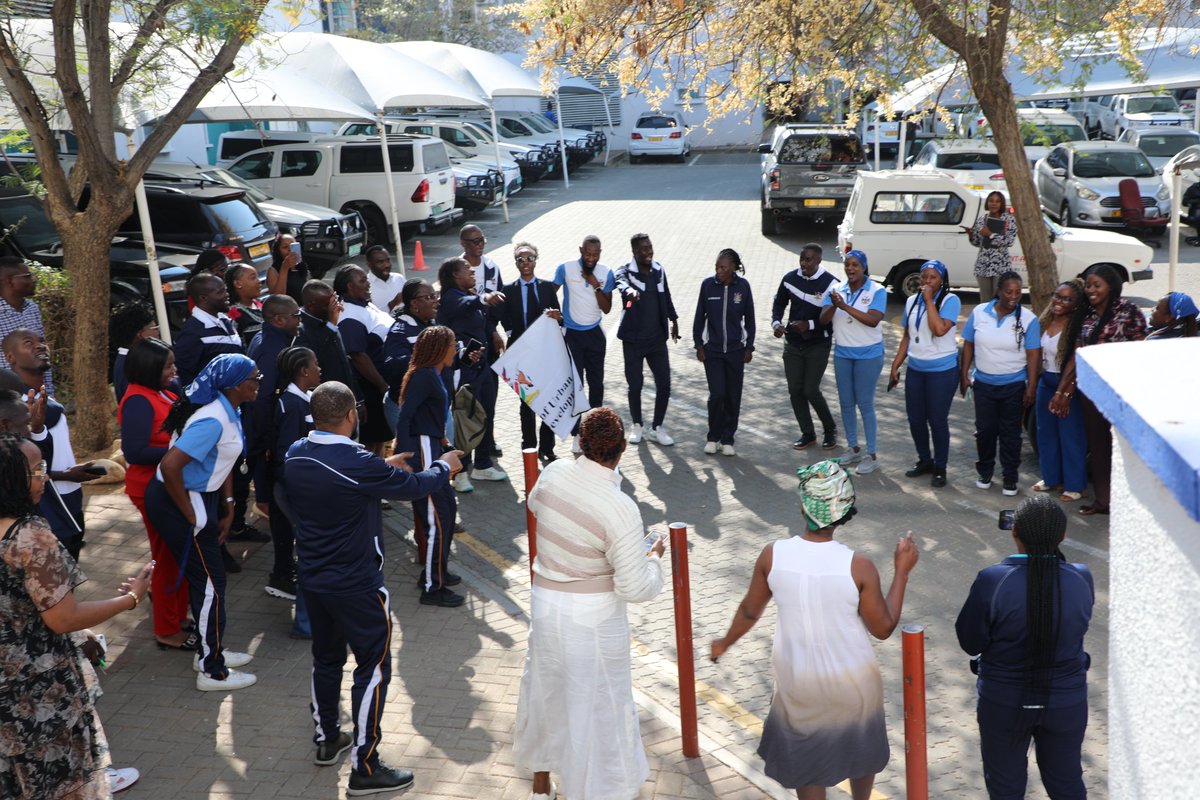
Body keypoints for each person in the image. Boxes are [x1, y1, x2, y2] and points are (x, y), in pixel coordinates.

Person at [284, 381, 462, 796]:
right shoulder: (356, 462)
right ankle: (365, 766)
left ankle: (327, 737)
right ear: (351, 415)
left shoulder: (297, 452)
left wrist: (385, 465)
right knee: (374, 666)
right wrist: (444, 466)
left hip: (313, 577)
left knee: (326, 661)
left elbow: (361, 478)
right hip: (357, 583)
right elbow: (416, 487)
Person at [709, 460, 919, 800]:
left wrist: (723, 643)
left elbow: (750, 610)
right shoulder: (858, 566)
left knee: (807, 764)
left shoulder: (773, 555)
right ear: (845, 509)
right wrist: (902, 571)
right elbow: (883, 628)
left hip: (798, 683)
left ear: (803, 505)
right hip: (855, 682)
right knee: (860, 752)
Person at [513, 407, 665, 800]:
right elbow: (634, 588)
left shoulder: (554, 472)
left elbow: (534, 504)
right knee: (596, 709)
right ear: (623, 448)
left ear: (580, 442)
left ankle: (541, 787)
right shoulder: (620, 508)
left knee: (546, 694)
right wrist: (653, 560)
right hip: (594, 618)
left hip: (546, 604)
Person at [0, 431, 153, 800]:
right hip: (37, 693)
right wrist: (131, 599)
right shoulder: (30, 537)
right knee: (61, 786)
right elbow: (62, 618)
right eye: (36, 471)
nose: (45, 477)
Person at [956, 495, 1094, 800]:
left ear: (1014, 531)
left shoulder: (994, 580)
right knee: (1068, 783)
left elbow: (970, 642)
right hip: (1066, 701)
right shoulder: (1082, 577)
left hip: (1003, 701)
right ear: (1063, 535)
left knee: (1005, 787)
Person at [145, 354, 261, 691]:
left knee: (207, 581)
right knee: (212, 584)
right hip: (180, 499)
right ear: (236, 384)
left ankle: (211, 650)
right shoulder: (212, 419)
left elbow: (219, 459)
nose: (259, 382)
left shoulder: (228, 407)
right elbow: (170, 467)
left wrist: (226, 504)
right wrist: (193, 515)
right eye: (255, 377)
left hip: (200, 496)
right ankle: (212, 670)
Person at [118, 338, 196, 652]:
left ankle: (177, 616)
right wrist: (180, 450)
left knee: (178, 556)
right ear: (149, 368)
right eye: (167, 366)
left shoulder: (162, 391)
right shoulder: (137, 399)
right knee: (166, 559)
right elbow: (135, 451)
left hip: (168, 485)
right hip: (151, 489)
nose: (173, 370)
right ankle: (166, 630)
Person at [1052, 264, 1147, 515]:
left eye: (1097, 285)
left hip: (1122, 394)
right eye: (1089, 286)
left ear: (1111, 286)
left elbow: (1141, 351)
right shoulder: (1089, 316)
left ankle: (1129, 504)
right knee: (1099, 448)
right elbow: (1077, 355)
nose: (1091, 290)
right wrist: (1062, 390)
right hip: (1093, 393)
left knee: (1125, 451)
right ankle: (1104, 502)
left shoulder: (1129, 312)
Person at [3, 328, 101, 559]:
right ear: (10, 357)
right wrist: (65, 474)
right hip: (48, 502)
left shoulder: (45, 400)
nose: (39, 346)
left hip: (70, 496)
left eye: (42, 341)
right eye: (28, 343)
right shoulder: (14, 409)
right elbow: (19, 467)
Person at [395, 326, 466, 607]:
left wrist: (443, 440)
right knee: (436, 517)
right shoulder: (424, 376)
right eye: (452, 345)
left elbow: (428, 413)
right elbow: (406, 415)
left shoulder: (433, 374)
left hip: (432, 446)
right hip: (422, 452)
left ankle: (436, 571)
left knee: (447, 511)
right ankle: (431, 588)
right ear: (439, 348)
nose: (455, 349)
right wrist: (404, 455)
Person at [961, 271, 1041, 497]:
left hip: (1014, 385)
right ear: (998, 291)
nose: (1014, 296)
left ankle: (1010, 477)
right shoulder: (979, 312)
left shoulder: (1028, 319)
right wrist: (964, 375)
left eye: (1018, 292)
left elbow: (1034, 354)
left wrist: (1031, 386)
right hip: (984, 384)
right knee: (985, 431)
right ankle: (985, 471)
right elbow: (968, 344)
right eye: (1008, 291)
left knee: (1010, 434)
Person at [262, 346, 321, 637]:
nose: (319, 369)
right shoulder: (290, 404)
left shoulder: (304, 399)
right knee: (305, 543)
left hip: (300, 486)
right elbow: (286, 455)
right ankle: (304, 618)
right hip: (293, 488)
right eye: (315, 364)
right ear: (303, 371)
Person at [888, 260, 961, 488]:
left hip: (942, 371)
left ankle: (940, 467)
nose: (927, 281)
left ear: (942, 281)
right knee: (916, 419)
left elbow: (939, 330)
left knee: (937, 420)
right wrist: (895, 365)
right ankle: (925, 460)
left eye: (933, 278)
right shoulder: (911, 301)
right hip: (917, 369)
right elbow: (907, 336)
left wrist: (929, 300)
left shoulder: (950, 300)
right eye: (924, 277)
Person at [437, 257, 506, 490]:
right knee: (466, 419)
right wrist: (484, 298)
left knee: (487, 414)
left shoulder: (468, 295)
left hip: (482, 366)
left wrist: (493, 332)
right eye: (467, 269)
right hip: (463, 369)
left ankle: (483, 465)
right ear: (456, 275)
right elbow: (468, 304)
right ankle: (461, 471)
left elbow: (480, 319)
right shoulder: (449, 299)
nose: (472, 272)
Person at [819, 250, 887, 475]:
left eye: (855, 264)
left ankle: (872, 454)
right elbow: (823, 320)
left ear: (864, 267)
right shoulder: (836, 290)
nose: (850, 268)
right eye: (847, 264)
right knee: (846, 403)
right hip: (843, 354)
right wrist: (833, 306)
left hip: (868, 354)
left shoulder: (877, 290)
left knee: (865, 403)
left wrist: (845, 307)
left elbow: (873, 320)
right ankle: (854, 447)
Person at [771, 244, 838, 451]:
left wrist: (807, 325)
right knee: (795, 390)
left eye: (809, 260)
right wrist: (776, 323)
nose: (804, 263)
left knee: (810, 389)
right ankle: (808, 434)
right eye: (802, 259)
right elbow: (779, 302)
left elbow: (831, 321)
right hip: (793, 344)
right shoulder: (790, 279)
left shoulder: (831, 284)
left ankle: (830, 430)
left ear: (819, 261)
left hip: (818, 344)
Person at [499, 242, 562, 462]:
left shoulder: (547, 287)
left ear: (536, 260)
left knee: (547, 399)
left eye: (529, 258)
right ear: (515, 263)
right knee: (527, 401)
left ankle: (548, 447)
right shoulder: (508, 290)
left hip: (545, 352)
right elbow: (504, 316)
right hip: (521, 354)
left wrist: (557, 318)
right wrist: (510, 333)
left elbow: (559, 316)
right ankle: (530, 446)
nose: (525, 263)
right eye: (520, 259)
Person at [615, 233, 679, 446]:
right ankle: (637, 425)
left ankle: (657, 427)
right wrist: (630, 292)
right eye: (643, 249)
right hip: (633, 340)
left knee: (665, 384)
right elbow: (620, 282)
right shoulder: (626, 271)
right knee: (635, 385)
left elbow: (666, 295)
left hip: (656, 339)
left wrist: (674, 319)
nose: (648, 252)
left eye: (650, 247)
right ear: (634, 252)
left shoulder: (659, 270)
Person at [552, 235, 615, 453]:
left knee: (596, 384)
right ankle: (577, 434)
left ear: (600, 253)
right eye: (587, 253)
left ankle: (595, 430)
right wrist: (555, 315)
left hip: (595, 334)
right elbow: (550, 292)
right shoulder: (566, 269)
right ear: (581, 250)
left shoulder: (606, 272)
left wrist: (596, 286)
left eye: (595, 254)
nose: (591, 258)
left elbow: (607, 308)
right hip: (573, 336)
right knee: (575, 386)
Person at [693, 247, 755, 456]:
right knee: (717, 394)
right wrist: (699, 345)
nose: (719, 270)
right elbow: (699, 317)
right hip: (713, 351)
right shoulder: (708, 286)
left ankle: (728, 439)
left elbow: (751, 320)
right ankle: (713, 436)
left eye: (723, 267)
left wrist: (749, 347)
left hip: (737, 351)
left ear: (734, 268)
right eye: (717, 266)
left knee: (733, 396)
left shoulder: (743, 287)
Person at [1034, 280, 1088, 502]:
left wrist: (1064, 392)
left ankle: (1075, 485)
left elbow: (1074, 361)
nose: (1059, 302)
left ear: (1076, 304)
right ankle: (1051, 478)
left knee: (1070, 436)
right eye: (1057, 296)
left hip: (1066, 385)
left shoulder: (1076, 325)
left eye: (1067, 299)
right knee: (1045, 433)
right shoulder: (1044, 321)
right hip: (1045, 380)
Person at [333, 265, 394, 454]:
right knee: (370, 442)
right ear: (350, 287)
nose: (368, 284)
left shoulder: (365, 303)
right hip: (371, 388)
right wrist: (383, 385)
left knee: (380, 440)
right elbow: (357, 355)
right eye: (362, 281)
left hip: (381, 385)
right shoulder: (349, 314)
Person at [460, 224, 506, 460]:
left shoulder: (491, 267)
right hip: (467, 342)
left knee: (490, 392)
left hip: (488, 338)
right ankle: (467, 445)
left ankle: (488, 440)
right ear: (463, 244)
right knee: (469, 396)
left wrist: (494, 330)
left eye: (482, 240)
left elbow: (497, 303)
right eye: (474, 241)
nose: (479, 244)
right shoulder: (457, 269)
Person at [295, 280, 363, 405]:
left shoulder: (329, 321)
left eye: (335, 301)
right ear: (311, 305)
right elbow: (317, 364)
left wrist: (358, 399)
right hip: (329, 403)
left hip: (348, 399)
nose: (335, 308)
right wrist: (330, 326)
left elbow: (344, 363)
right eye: (328, 304)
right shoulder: (300, 331)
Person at [174, 274, 244, 387]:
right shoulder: (192, 333)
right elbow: (183, 374)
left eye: (225, 290)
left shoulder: (226, 322)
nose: (227, 295)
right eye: (220, 292)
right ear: (203, 298)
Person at [0, 256, 54, 395]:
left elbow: (40, 355)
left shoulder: (32, 308)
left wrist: (48, 393)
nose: (34, 279)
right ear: (9, 281)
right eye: (28, 276)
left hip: (39, 392)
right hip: (8, 397)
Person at [964, 191, 1017, 300]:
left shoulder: (1009, 220)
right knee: (985, 301)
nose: (994, 204)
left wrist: (991, 234)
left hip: (1001, 265)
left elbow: (1009, 241)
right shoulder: (981, 220)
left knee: (999, 300)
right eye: (991, 201)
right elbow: (978, 242)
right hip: (983, 265)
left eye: (997, 201)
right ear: (987, 202)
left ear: (1002, 204)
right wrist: (971, 235)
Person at [109, 300, 162, 403]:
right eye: (154, 329)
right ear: (140, 334)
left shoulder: (130, 360)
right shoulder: (131, 367)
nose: (158, 334)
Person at [226, 264, 265, 348]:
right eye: (253, 278)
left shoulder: (261, 305)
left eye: (257, 277)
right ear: (238, 283)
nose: (258, 281)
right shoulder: (232, 314)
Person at [265, 233, 308, 303]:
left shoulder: (301, 266)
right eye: (285, 247)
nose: (289, 250)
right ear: (278, 251)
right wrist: (284, 268)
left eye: (292, 246)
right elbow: (277, 300)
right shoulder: (273, 271)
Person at [364, 245, 404, 312]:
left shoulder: (399, 278)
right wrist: (392, 304)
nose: (387, 265)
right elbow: (369, 314)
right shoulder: (364, 285)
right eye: (380, 262)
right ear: (369, 265)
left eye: (388, 260)